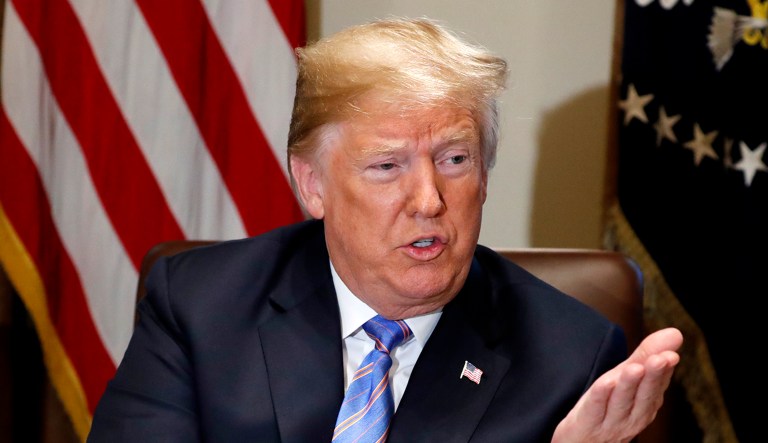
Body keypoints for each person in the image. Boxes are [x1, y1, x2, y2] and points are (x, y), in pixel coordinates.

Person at [87, 17, 682, 442]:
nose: (428, 200)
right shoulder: (199, 305)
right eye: (386, 166)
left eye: (455, 159)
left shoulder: (572, 359)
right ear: (312, 184)